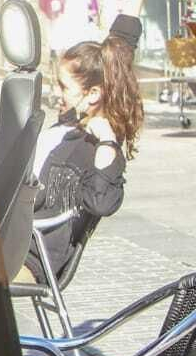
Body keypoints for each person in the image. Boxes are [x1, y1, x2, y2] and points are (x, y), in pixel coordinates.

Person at [27, 36, 142, 278]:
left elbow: (100, 203)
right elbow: (119, 48)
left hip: (33, 253)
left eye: (64, 87)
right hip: (13, 238)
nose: (57, 94)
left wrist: (108, 142)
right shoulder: (71, 122)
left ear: (92, 94)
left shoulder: (98, 147)